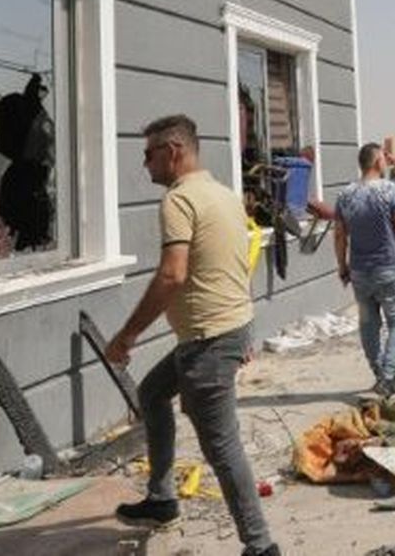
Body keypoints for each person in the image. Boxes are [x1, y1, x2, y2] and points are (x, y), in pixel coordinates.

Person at [106, 115, 278, 556]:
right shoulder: (223, 194)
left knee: (222, 448)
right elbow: (238, 262)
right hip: (228, 328)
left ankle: (261, 547)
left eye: (149, 154)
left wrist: (127, 336)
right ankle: (162, 498)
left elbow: (172, 275)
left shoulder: (179, 201)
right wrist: (244, 330)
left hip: (207, 341)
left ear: (174, 150)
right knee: (152, 393)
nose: (145, 164)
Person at [334, 143, 395, 397]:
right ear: (376, 163)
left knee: (368, 325)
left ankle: (380, 373)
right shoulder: (388, 190)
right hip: (388, 268)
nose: (386, 162)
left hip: (360, 272)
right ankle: (388, 375)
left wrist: (342, 266)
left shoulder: (345, 195)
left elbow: (339, 234)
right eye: (384, 159)